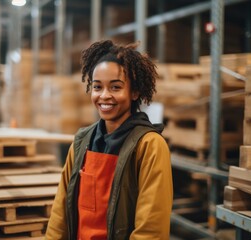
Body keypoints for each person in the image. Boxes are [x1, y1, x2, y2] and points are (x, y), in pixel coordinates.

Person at [45, 40, 173, 240]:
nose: (104, 96)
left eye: (115, 87)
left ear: (135, 92)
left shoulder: (149, 146)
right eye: (97, 87)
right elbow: (60, 211)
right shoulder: (82, 142)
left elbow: (151, 228)